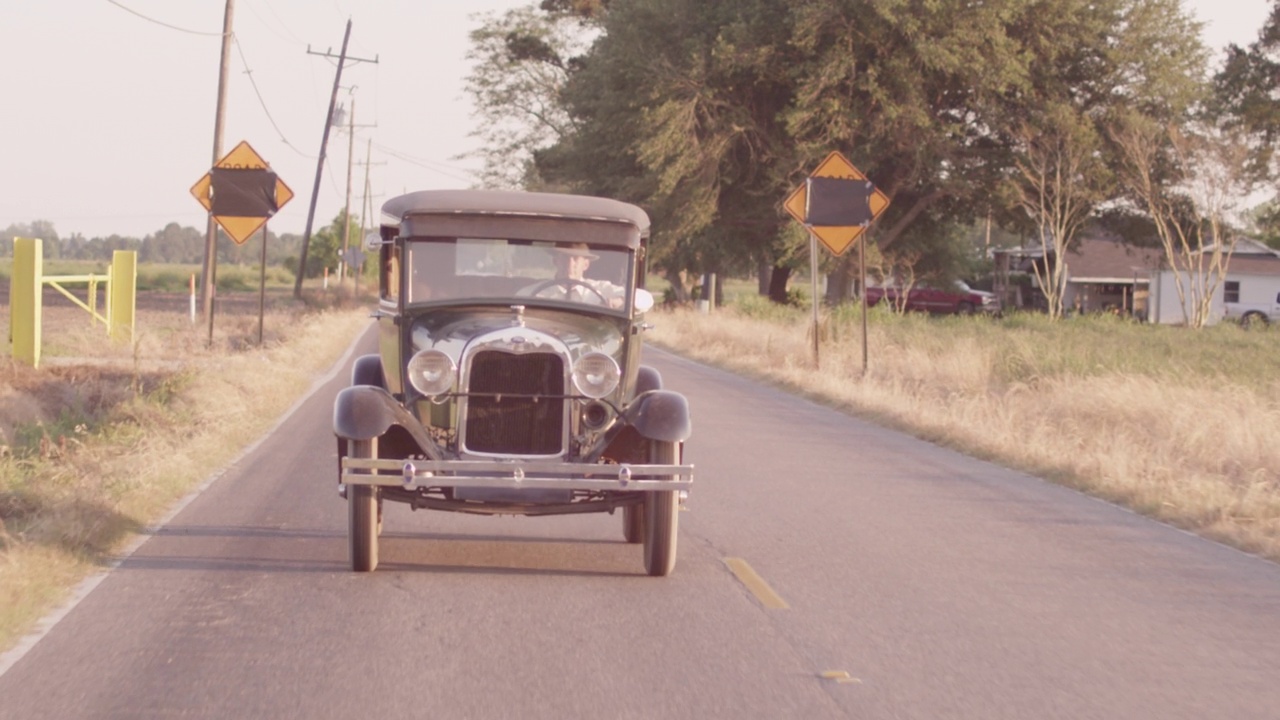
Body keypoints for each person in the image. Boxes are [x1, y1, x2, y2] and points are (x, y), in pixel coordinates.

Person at [519, 243, 624, 307]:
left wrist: (620, 300)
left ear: (585, 265)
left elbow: (638, 296)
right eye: (565, 258)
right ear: (556, 261)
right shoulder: (532, 294)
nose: (570, 264)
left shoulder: (600, 289)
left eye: (576, 259)